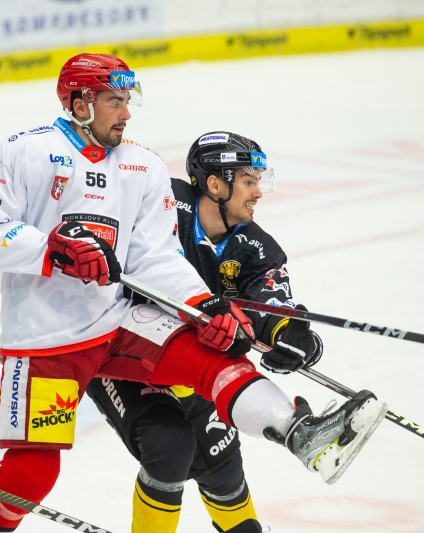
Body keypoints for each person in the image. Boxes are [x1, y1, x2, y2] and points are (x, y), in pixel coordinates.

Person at [0, 53, 387, 532]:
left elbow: (156, 257)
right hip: (45, 339)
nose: (125, 113)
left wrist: (203, 304)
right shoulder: (24, 151)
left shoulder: (142, 166)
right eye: (113, 101)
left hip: (118, 321)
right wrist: (53, 250)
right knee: (29, 477)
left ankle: (299, 435)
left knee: (213, 356)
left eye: (127, 101)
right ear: (81, 102)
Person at [86, 132, 324, 532]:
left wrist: (291, 334)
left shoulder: (257, 247)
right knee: (169, 449)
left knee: (225, 478)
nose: (258, 192)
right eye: (249, 181)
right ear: (215, 184)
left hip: (194, 365)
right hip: (123, 354)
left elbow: (269, 304)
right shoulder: (158, 202)